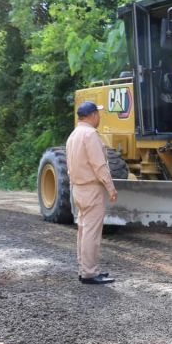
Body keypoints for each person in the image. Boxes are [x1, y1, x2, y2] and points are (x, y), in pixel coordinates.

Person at [65, 101, 118, 285]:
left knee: (83, 230)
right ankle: (89, 273)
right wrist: (111, 188)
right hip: (92, 189)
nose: (100, 117)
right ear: (93, 115)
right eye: (98, 114)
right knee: (91, 233)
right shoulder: (90, 134)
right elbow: (100, 165)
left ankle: (85, 269)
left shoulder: (73, 135)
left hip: (78, 188)